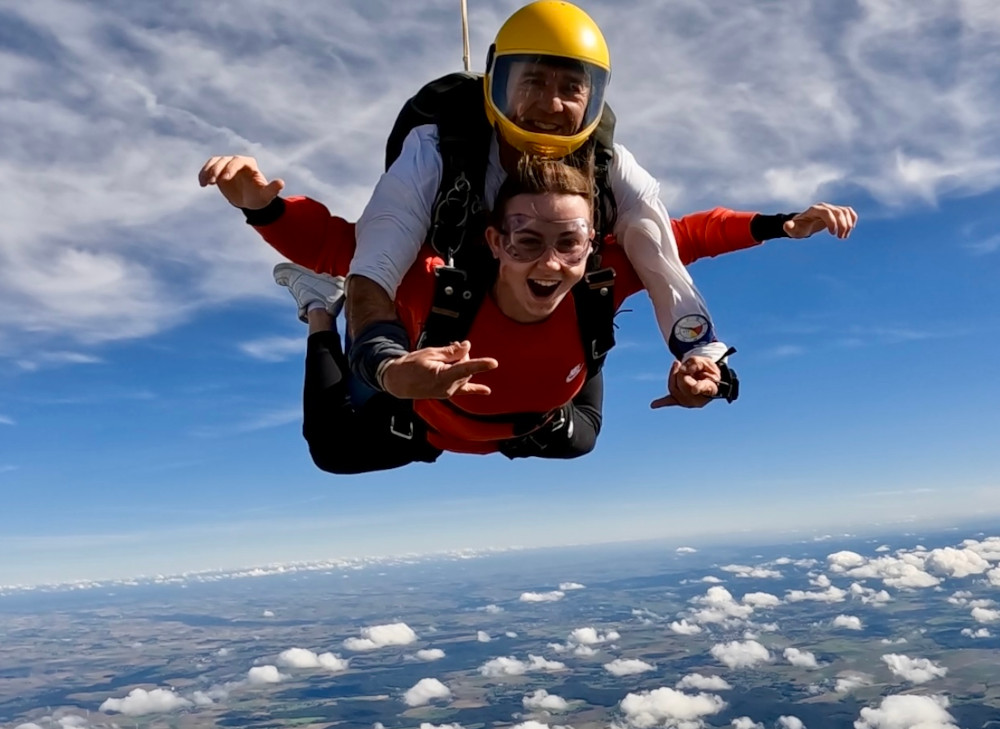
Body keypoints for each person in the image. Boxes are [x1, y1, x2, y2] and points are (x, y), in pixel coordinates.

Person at [339, 0, 850, 408]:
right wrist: (384, 363)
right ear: (497, 78)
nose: (551, 104)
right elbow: (374, 262)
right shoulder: (436, 151)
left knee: (576, 438)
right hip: (451, 306)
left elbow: (660, 255)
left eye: (572, 87)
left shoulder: (610, 167)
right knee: (356, 427)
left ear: (595, 98)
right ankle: (327, 317)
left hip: (543, 311)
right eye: (532, 81)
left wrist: (699, 356)